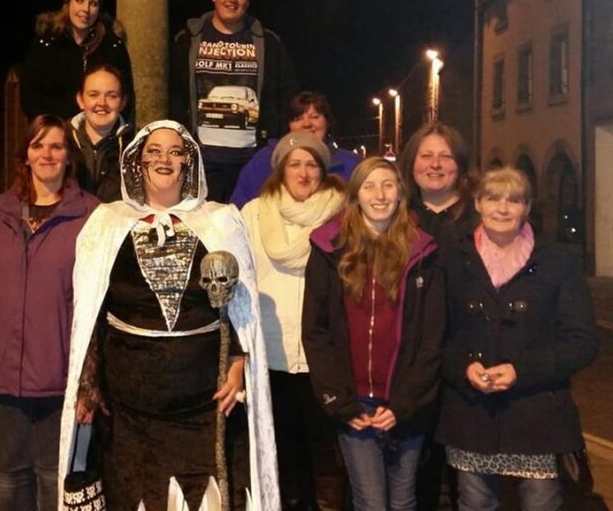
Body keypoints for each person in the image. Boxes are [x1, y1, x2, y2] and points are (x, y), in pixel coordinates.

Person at [57, 120, 279, 510]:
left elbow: (242, 308)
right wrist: (88, 381)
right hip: (130, 408)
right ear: (137, 163)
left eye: (175, 151)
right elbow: (92, 309)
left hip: (203, 403)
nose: (164, 159)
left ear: (188, 162)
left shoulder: (221, 220)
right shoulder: (107, 223)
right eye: (154, 152)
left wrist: (240, 361)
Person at [0, 114, 98, 510]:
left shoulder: (91, 216)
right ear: (26, 155)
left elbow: (101, 300)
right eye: (38, 145)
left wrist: (91, 377)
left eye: (56, 145)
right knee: (9, 473)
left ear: (69, 156)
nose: (47, 154)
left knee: (54, 475)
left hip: (59, 374)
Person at [437, 167, 598, 511]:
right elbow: (434, 334)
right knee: (476, 503)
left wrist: (520, 370)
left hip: (539, 412)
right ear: (478, 203)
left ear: (527, 207)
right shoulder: (452, 259)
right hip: (472, 411)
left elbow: (582, 340)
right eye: (493, 198)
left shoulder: (557, 261)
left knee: (541, 505)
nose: (503, 208)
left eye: (515, 200)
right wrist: (465, 366)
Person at [302, 157, 446, 511]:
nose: (379, 195)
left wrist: (404, 404)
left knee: (402, 500)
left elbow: (432, 339)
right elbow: (316, 331)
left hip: (403, 403)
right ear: (356, 195)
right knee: (370, 502)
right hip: (356, 405)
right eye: (369, 186)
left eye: (388, 185)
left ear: (400, 195)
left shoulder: (424, 254)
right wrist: (339, 402)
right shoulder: (328, 248)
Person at [241, 132, 348, 509]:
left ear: (323, 170)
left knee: (326, 453)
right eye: (295, 163)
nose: (304, 172)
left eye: (312, 163)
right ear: (281, 170)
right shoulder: (253, 213)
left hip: (323, 355)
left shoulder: (343, 214)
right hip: (271, 353)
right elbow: (241, 278)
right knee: (283, 450)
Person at [399, 121, 478, 510]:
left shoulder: (482, 219)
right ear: (411, 163)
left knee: (469, 479)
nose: (435, 164)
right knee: (417, 473)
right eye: (426, 155)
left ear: (460, 166)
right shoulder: (395, 216)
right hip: (411, 365)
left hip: (467, 361)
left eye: (445, 156)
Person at [170, 0, 297, 202]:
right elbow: (175, 93)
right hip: (203, 159)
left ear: (248, 1)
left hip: (252, 160)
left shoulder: (268, 43)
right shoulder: (188, 40)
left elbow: (286, 94)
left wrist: (272, 146)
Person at [21, 0, 135, 123]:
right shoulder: (46, 44)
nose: (85, 9)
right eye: (79, 0)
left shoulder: (113, 47)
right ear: (68, 4)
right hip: (56, 134)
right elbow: (30, 99)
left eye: (93, 3)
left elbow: (126, 98)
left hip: (100, 134)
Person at [230, 90, 360, 208]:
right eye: (298, 118)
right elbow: (239, 208)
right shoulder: (264, 160)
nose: (307, 124)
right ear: (289, 125)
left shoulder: (351, 165)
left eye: (315, 117)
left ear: (328, 122)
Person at [69, 63, 133, 202]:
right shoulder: (61, 141)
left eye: (111, 96)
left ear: (123, 102)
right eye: (93, 95)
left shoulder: (135, 147)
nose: (102, 103)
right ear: (80, 100)